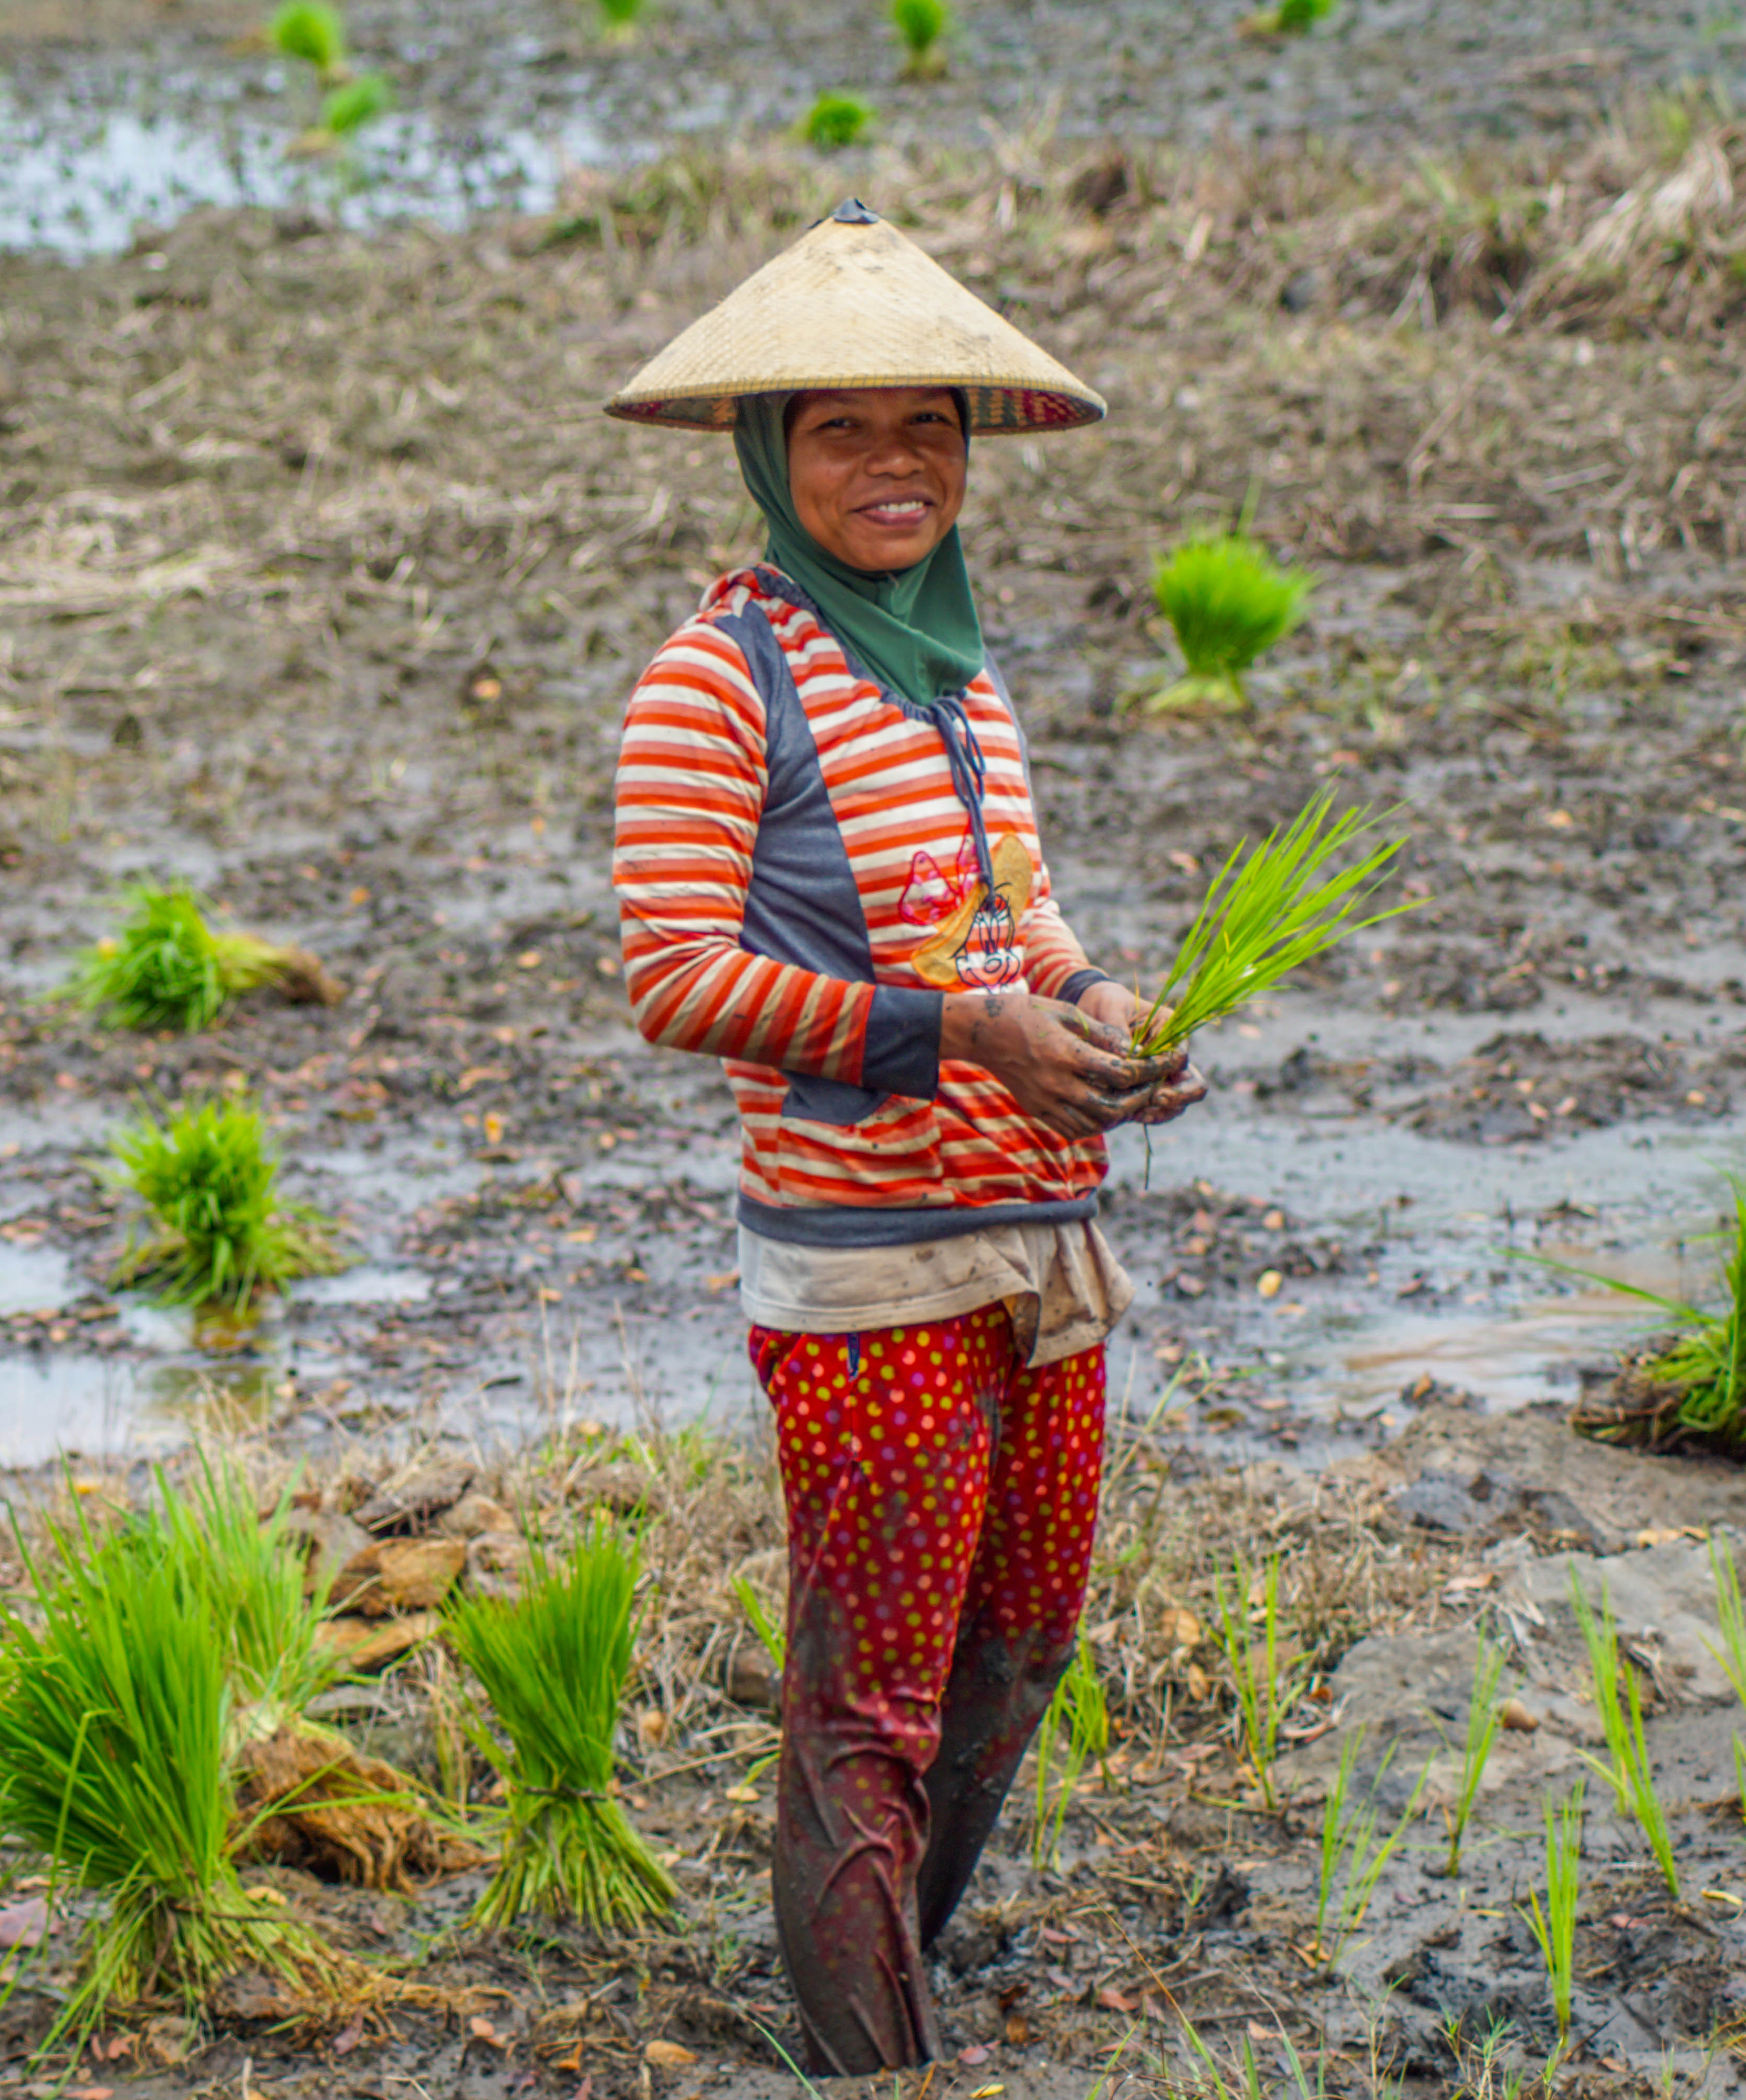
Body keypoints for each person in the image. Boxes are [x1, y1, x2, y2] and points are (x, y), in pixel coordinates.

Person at [604, 201, 1207, 2073]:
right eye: (845, 432)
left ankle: (892, 1982)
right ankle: (866, 2055)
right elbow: (675, 975)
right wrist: (958, 1031)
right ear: (768, 454)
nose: (896, 466)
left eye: (926, 428)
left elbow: (1017, 922)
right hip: (869, 1273)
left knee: (1015, 1650)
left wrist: (1100, 1006)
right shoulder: (723, 679)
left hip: (1037, 1243)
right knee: (871, 1697)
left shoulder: (965, 682)